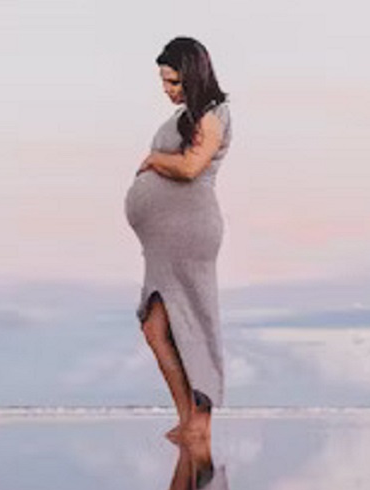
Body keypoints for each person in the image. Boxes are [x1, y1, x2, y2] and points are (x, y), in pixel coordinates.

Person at [124, 36, 232, 443]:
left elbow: (190, 167)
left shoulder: (212, 115)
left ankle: (200, 424)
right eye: (164, 83)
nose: (168, 90)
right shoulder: (188, 114)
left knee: (192, 322)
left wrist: (153, 160)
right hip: (163, 243)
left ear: (193, 75)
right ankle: (187, 417)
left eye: (174, 82)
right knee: (155, 327)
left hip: (189, 234)